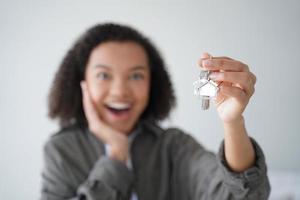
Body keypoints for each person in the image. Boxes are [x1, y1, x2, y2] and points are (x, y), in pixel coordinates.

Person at [41, 23, 270, 200]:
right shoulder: (61, 151)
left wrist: (233, 122)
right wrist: (117, 156)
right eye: (103, 75)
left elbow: (242, 195)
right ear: (83, 83)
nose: (120, 92)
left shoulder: (173, 146)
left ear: (153, 84)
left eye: (136, 75)